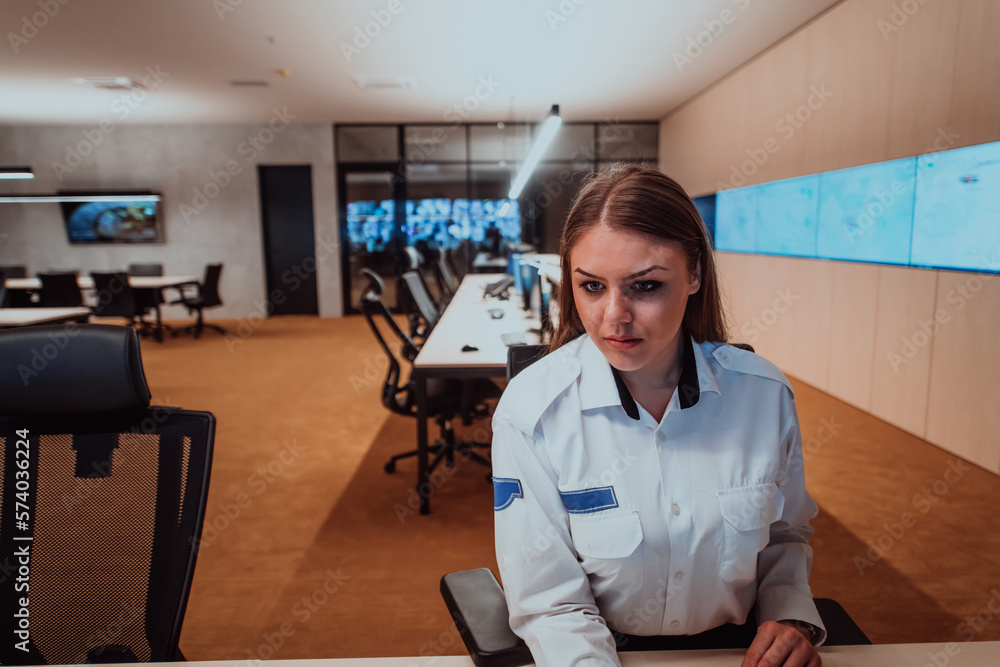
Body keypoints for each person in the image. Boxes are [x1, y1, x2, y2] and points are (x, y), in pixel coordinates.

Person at [491, 165, 825, 667]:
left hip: (736, 654)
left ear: (694, 275)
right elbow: (550, 602)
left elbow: (785, 535)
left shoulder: (764, 396)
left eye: (645, 286)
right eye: (592, 287)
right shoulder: (531, 412)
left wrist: (788, 616)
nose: (614, 316)